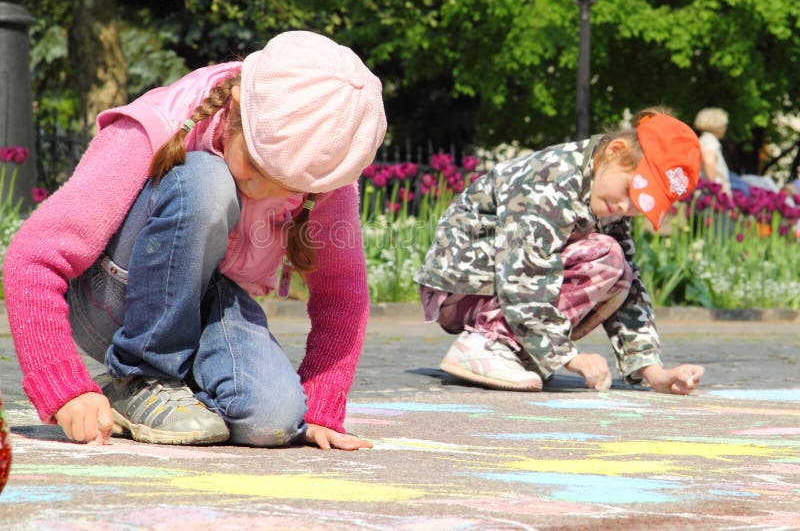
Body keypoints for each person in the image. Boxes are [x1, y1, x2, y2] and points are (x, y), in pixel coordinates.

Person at [3, 30, 386, 450]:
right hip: (113, 301)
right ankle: (141, 376)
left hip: (203, 304)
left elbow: (342, 295)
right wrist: (65, 387)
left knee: (274, 421)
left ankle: (150, 396)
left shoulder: (322, 171)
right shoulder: (158, 125)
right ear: (236, 103)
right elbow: (33, 258)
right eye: (256, 169)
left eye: (288, 189)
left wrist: (322, 404)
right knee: (206, 182)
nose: (261, 192)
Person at [415, 107, 705, 395]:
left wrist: (654, 372)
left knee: (619, 271)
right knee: (605, 255)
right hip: (462, 287)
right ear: (615, 151)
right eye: (631, 191)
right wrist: (567, 356)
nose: (625, 208)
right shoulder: (551, 179)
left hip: (491, 285)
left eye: (640, 206)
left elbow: (629, 291)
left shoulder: (603, 191)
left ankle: (516, 349)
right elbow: (523, 270)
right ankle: (490, 344)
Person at [694, 107, 732, 194]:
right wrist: (716, 189)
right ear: (716, 125)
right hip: (711, 195)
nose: (725, 128)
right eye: (724, 125)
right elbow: (709, 162)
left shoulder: (704, 139)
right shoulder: (710, 141)